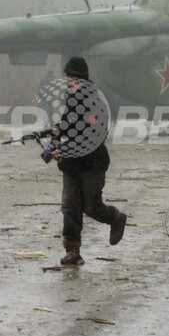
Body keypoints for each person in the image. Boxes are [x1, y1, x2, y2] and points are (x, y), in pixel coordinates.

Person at [54, 56, 127, 266]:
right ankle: (73, 250)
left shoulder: (96, 101)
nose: (70, 82)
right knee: (70, 206)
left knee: (92, 206)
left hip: (92, 163)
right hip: (71, 164)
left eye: (73, 78)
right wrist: (56, 141)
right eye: (68, 78)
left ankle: (115, 217)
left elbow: (93, 135)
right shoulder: (69, 100)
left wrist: (66, 147)